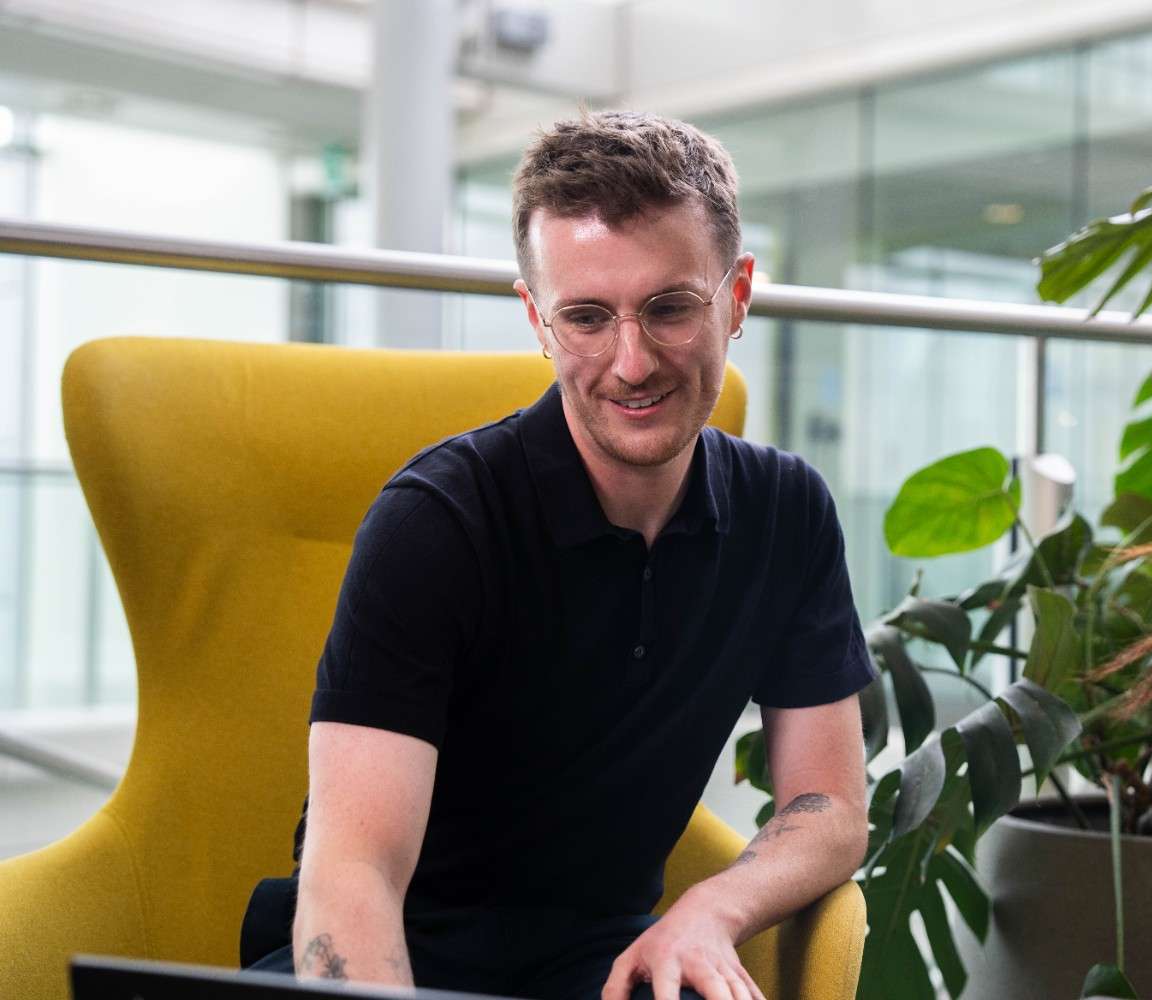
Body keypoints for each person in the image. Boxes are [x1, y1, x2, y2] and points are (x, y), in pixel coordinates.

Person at [239, 110, 875, 1000]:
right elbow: (354, 876)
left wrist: (711, 909)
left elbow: (834, 809)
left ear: (735, 297)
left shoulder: (787, 510)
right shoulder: (437, 520)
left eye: (669, 307)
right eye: (586, 316)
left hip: (606, 967)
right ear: (537, 319)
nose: (631, 362)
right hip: (389, 967)